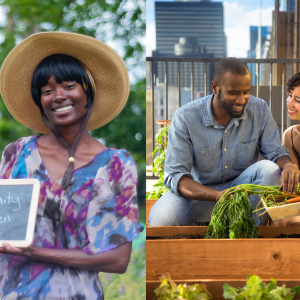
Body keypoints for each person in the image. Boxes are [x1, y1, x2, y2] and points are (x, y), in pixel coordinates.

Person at [0, 32, 143, 299]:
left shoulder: (114, 166)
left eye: (69, 85)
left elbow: (117, 260)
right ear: (39, 100)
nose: (58, 96)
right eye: (47, 90)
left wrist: (36, 252)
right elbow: (4, 223)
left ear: (87, 92)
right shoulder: (17, 154)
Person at [149, 57, 300, 227]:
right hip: (199, 195)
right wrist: (216, 195)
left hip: (243, 195)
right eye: (234, 92)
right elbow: (176, 176)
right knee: (161, 219)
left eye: (246, 92)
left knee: (270, 170)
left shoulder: (260, 109)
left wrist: (288, 165)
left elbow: (275, 152)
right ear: (215, 87)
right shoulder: (185, 117)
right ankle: (210, 226)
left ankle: (247, 231)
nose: (241, 100)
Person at [270, 71, 300, 226]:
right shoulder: (290, 135)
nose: (289, 103)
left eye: (297, 100)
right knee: (277, 221)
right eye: (290, 95)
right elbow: (294, 186)